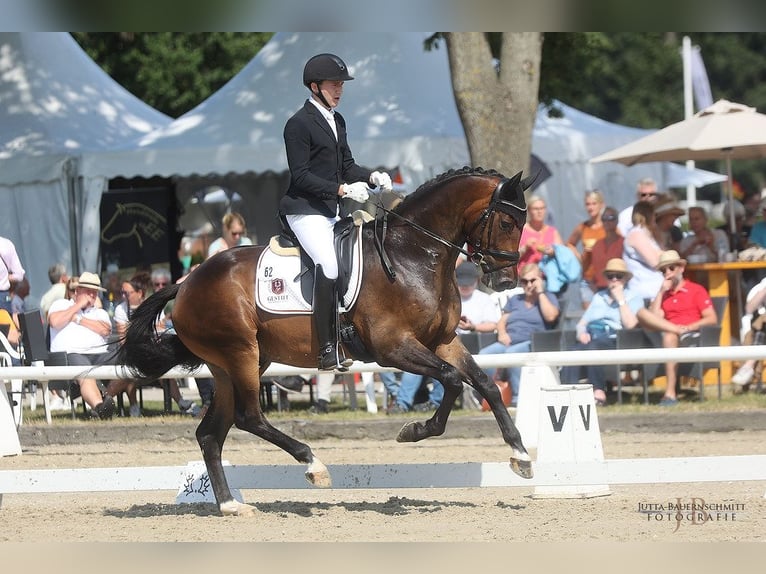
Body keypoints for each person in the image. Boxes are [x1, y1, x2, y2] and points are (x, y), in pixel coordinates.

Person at [279, 52, 393, 371]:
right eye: (334, 84)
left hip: (330, 211)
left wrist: (371, 176)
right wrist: (341, 190)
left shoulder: (337, 120)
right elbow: (300, 175)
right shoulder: (298, 124)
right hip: (304, 211)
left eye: (341, 84)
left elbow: (347, 165)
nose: (339, 90)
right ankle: (327, 347)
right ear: (315, 87)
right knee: (329, 267)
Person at [387, 262, 501, 414]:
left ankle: (435, 401)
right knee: (420, 362)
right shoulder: (447, 297)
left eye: (469, 283)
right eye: (462, 283)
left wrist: (472, 326)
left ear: (476, 281)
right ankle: (402, 403)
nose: (465, 286)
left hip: (473, 344)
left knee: (446, 362)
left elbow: (493, 325)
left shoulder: (484, 299)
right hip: (445, 342)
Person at [637, 250, 717, 406]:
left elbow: (712, 318)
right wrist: (660, 292)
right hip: (667, 333)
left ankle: (670, 393)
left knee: (669, 336)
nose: (667, 273)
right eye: (663, 270)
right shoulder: (664, 295)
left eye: (671, 268)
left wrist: (688, 327)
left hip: (690, 334)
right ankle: (675, 330)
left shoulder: (696, 290)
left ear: (681, 268)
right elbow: (654, 318)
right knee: (641, 313)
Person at [560, 258, 643, 405]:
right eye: (611, 276)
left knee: (594, 348)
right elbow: (582, 323)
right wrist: (581, 333)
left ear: (625, 279)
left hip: (616, 338)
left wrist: (621, 300)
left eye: (619, 276)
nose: (614, 280)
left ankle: (598, 391)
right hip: (592, 334)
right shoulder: (599, 297)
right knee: (572, 352)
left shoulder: (634, 296)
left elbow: (630, 325)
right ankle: (568, 391)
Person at [478, 263, 560, 406]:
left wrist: (540, 292)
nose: (528, 285)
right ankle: (489, 396)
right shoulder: (516, 300)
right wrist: (502, 334)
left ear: (540, 280)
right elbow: (502, 321)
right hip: (508, 341)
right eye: (524, 281)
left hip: (533, 342)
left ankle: (517, 398)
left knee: (513, 354)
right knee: (484, 354)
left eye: (532, 280)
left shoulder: (548, 297)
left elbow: (551, 317)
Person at [47, 271, 116, 419]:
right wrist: (78, 305)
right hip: (71, 355)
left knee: (127, 360)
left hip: (100, 354)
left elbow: (105, 330)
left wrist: (77, 319)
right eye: (88, 291)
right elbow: (55, 321)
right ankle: (101, 407)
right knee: (84, 370)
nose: (92, 295)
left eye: (95, 292)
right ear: (77, 291)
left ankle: (105, 398)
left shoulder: (100, 312)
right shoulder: (61, 304)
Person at [567, 190, 606, 309]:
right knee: (588, 315)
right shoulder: (583, 227)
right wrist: (580, 258)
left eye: (594, 203)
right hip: (587, 277)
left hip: (605, 278)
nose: (591, 207)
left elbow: (618, 244)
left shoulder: (607, 226)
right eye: (588, 204)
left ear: (601, 205)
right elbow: (569, 243)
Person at [623, 200, 663, 304]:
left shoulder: (646, 234)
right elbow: (655, 262)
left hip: (652, 290)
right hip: (645, 292)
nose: (655, 218)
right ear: (648, 215)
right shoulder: (636, 234)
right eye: (654, 214)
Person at [730, 276, 766, 390]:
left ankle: (748, 366)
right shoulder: (760, 288)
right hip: (760, 332)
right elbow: (749, 309)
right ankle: (749, 368)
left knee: (762, 321)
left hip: (760, 328)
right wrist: (764, 291)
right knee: (753, 331)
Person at [587, 207, 625, 304]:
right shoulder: (597, 245)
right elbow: (590, 269)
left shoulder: (624, 242)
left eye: (611, 218)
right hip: (599, 291)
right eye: (604, 218)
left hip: (619, 289)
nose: (607, 221)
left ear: (617, 220)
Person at [518, 195, 564, 267]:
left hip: (547, 275)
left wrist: (552, 252)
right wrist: (525, 248)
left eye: (542, 208)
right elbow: (511, 258)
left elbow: (563, 254)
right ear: (529, 211)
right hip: (525, 274)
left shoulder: (552, 231)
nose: (539, 211)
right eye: (536, 209)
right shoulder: (521, 230)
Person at [0, 235, 25, 314]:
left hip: (3, 297)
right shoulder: (6, 244)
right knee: (6, 324)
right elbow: (19, 275)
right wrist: (5, 278)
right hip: (3, 297)